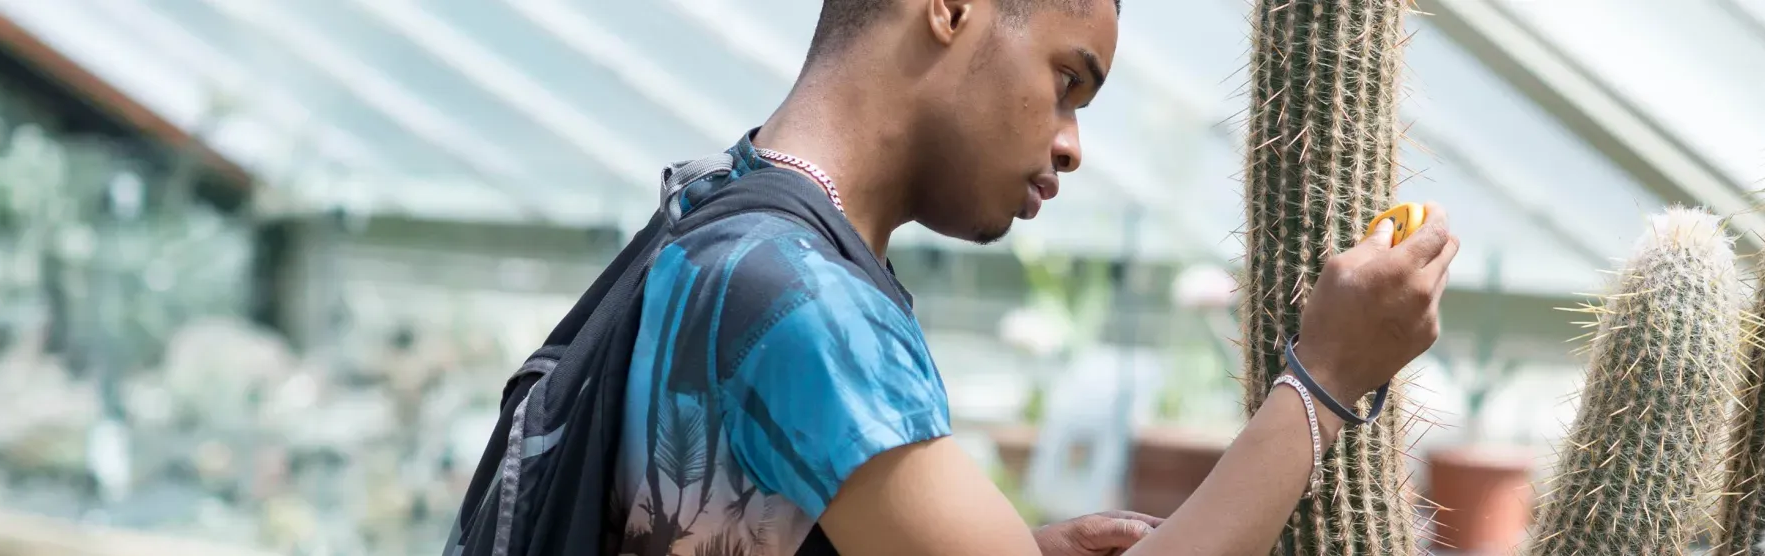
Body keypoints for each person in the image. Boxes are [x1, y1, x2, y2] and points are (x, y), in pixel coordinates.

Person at [613, 0, 1460, 554]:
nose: (1072, 145)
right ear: (948, 10)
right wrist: (1326, 379)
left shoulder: (715, 213)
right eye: (1066, 81)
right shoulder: (799, 297)